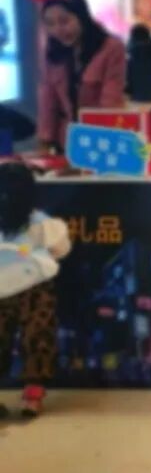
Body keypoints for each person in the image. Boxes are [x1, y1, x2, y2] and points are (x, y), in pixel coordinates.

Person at [0, 162, 71, 419]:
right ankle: (33, 397)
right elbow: (61, 249)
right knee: (38, 336)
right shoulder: (42, 223)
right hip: (35, 287)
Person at [33, 0, 127, 152]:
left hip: (100, 140)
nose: (57, 30)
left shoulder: (111, 48)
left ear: (82, 17)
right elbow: (48, 100)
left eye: (64, 21)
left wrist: (102, 141)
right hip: (66, 140)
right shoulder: (53, 51)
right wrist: (45, 140)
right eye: (50, 24)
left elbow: (111, 101)